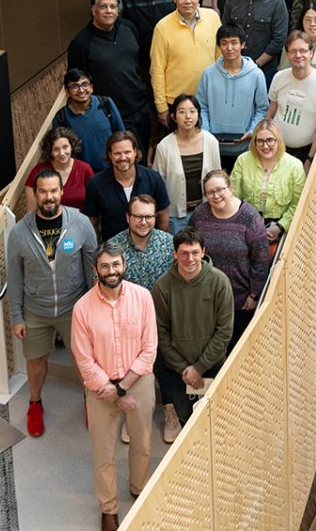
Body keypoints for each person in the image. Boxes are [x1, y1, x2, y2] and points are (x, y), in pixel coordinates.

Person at [71, 242, 157, 531]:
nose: (111, 271)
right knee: (103, 452)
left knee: (142, 443)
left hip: (138, 381)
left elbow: (149, 350)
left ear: (124, 265)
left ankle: (139, 486)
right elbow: (84, 359)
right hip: (100, 388)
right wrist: (110, 389)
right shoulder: (82, 308)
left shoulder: (143, 297)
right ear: (96, 270)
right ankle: (109, 508)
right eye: (105, 266)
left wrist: (122, 389)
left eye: (116, 264)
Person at [7, 169, 97, 437]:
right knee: (35, 361)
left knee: (83, 362)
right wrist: (17, 316)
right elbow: (14, 277)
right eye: (43, 191)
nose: (48, 197)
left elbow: (92, 266)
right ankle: (35, 404)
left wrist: (95, 309)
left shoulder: (79, 223)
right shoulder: (19, 232)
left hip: (74, 309)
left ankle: (90, 402)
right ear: (35, 193)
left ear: (61, 192)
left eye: (53, 191)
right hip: (35, 311)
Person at [106, 196, 179, 445]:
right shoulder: (114, 246)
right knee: (130, 368)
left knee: (166, 364)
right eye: (138, 216)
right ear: (128, 217)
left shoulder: (168, 243)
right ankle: (133, 416)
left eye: (149, 216)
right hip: (127, 321)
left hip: (163, 318)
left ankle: (170, 410)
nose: (143, 222)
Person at [151, 227, 234, 426]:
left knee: (215, 422)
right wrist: (186, 369)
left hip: (212, 366)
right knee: (186, 421)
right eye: (184, 253)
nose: (190, 259)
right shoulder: (162, 287)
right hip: (178, 371)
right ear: (174, 254)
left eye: (195, 252)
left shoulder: (220, 282)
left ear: (203, 252)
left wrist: (199, 367)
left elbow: (224, 332)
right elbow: (161, 334)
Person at [188, 170, 268, 349]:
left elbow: (261, 260)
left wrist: (254, 295)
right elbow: (190, 248)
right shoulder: (199, 215)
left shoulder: (249, 217)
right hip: (207, 299)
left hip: (240, 302)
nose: (216, 196)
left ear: (230, 189)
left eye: (220, 190)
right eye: (210, 192)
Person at [67, 0, 152, 154]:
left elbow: (141, 62)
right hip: (114, 114)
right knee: (131, 158)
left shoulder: (129, 27)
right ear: (93, 10)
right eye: (103, 7)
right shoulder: (81, 43)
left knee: (143, 153)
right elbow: (76, 84)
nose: (109, 11)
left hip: (141, 107)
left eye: (113, 7)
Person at [150, 0, 221, 125]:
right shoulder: (162, 28)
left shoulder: (213, 18)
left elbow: (220, 59)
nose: (187, 1)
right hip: (176, 103)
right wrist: (161, 106)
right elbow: (157, 69)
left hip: (208, 100)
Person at [196, 23, 269, 163]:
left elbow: (262, 108)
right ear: (218, 46)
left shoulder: (256, 75)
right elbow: (201, 106)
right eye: (224, 43)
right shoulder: (208, 74)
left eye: (234, 43)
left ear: (242, 44)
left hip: (244, 148)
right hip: (213, 146)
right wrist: (206, 131)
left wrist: (252, 130)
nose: (229, 48)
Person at [267, 30, 316, 169]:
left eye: (303, 51)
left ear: (311, 52)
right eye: (293, 51)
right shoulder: (279, 78)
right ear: (287, 54)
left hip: (305, 152)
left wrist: (310, 159)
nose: (298, 55)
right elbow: (270, 114)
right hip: (276, 149)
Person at [83, 130, 170, 240]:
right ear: (110, 155)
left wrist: (161, 246)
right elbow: (92, 223)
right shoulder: (96, 184)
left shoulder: (154, 179)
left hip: (150, 249)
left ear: (135, 152)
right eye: (117, 153)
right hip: (113, 251)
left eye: (127, 152)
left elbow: (163, 218)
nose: (123, 158)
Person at [153, 94, 221, 232]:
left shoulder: (211, 141)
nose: (188, 116)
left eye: (192, 111)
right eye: (182, 112)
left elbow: (218, 178)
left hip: (207, 213)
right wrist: (163, 218)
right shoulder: (164, 146)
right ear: (173, 117)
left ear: (198, 114)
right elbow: (157, 185)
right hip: (175, 217)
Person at [231, 119, 306, 242]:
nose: (265, 146)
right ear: (254, 142)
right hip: (247, 224)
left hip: (279, 226)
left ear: (278, 140)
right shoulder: (243, 160)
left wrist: (280, 227)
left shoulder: (295, 166)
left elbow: (298, 204)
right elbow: (234, 197)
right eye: (260, 141)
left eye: (270, 140)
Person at [221, 0, 289, 85]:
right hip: (235, 68)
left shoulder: (276, 2)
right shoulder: (232, 0)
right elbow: (226, 32)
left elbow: (279, 39)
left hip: (265, 70)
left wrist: (256, 64)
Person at [52, 69, 124, 173]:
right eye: (74, 86)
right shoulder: (61, 118)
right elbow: (59, 153)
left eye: (85, 84)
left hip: (112, 170)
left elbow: (121, 136)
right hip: (83, 176)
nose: (81, 90)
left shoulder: (105, 104)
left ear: (91, 87)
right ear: (67, 91)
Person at [25, 126, 94, 211]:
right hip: (48, 222)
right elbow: (31, 212)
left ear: (71, 146)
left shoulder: (85, 169)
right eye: (56, 149)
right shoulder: (38, 171)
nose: (61, 153)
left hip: (79, 222)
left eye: (65, 147)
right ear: (50, 151)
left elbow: (94, 204)